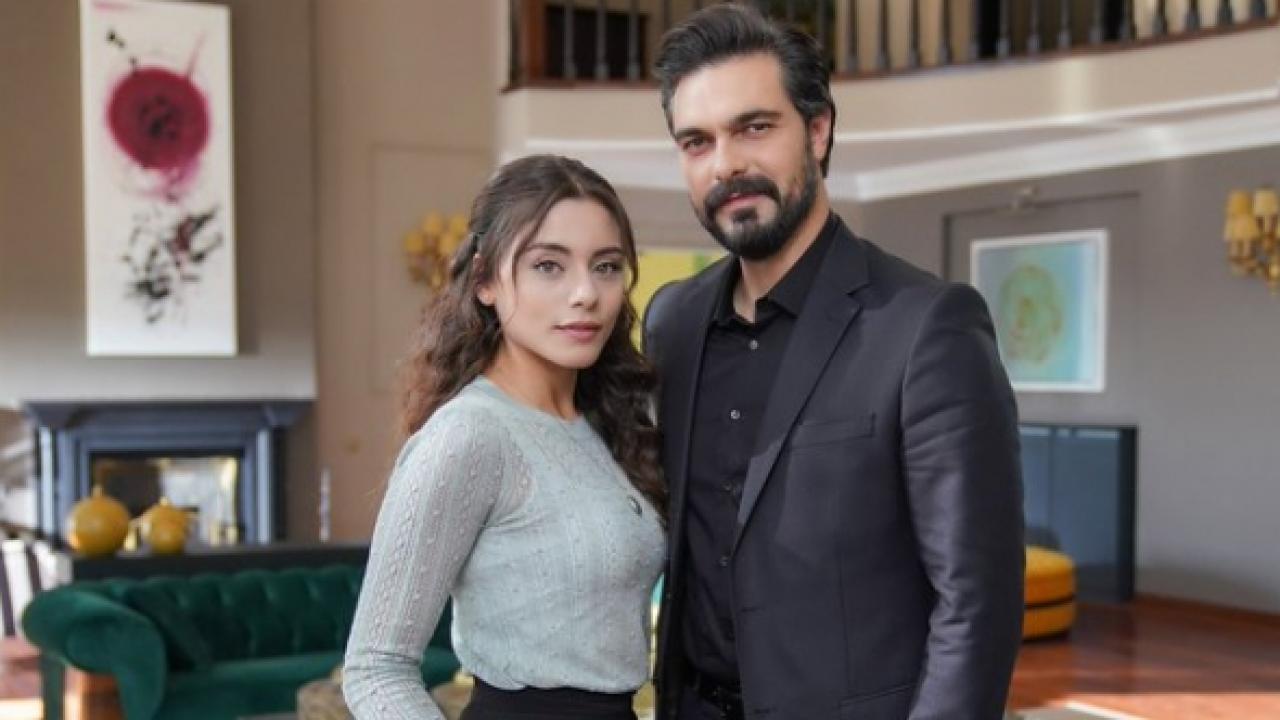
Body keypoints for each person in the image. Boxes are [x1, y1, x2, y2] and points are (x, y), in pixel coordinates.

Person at [642, 6, 1025, 720]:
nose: (725, 164)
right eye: (697, 142)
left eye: (755, 128)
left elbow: (977, 603)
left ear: (817, 131)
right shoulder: (673, 324)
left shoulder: (926, 327)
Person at [344, 154, 666, 720]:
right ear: (486, 280)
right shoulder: (470, 435)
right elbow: (375, 669)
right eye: (549, 266)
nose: (586, 293)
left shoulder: (606, 424)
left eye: (606, 266)